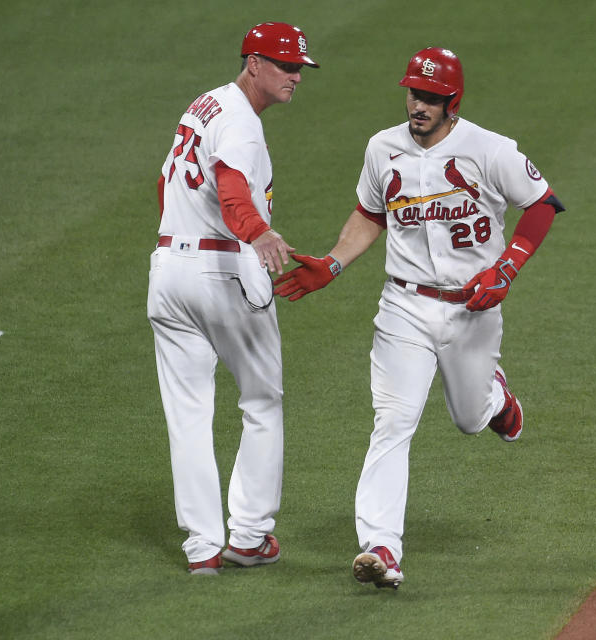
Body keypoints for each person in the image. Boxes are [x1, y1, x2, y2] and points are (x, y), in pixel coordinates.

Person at [273, 47, 564, 588]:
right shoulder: (382, 148)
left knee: (469, 417)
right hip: (403, 308)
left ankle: (497, 398)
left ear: (452, 102)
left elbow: (543, 202)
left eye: (430, 97)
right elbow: (369, 212)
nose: (418, 105)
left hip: (472, 310)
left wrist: (507, 268)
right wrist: (334, 263)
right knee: (393, 422)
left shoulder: (488, 149)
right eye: (413, 93)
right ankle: (382, 547)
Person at [147, 22, 319, 575]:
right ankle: (248, 536)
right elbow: (232, 190)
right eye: (285, 66)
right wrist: (258, 233)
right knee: (262, 402)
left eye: (299, 67)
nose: (296, 76)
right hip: (225, 268)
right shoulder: (242, 126)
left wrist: (182, 246)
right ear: (253, 64)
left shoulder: (204, 104)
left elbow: (164, 183)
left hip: (169, 270)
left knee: (189, 415)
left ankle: (201, 548)